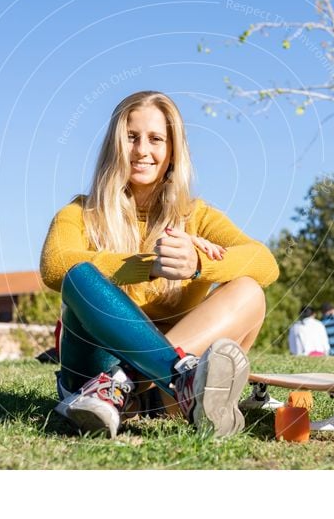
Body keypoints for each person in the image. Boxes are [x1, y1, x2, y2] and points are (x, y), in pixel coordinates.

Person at [40, 91, 279, 438]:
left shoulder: (197, 215)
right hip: (93, 374)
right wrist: (147, 265)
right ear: (114, 146)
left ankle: (150, 382)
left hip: (163, 397)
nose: (141, 150)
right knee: (79, 275)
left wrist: (199, 263)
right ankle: (177, 380)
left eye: (155, 139)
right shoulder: (79, 213)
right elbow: (54, 267)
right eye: (131, 137)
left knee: (249, 291)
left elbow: (265, 262)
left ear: (172, 152)